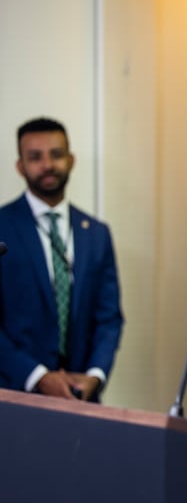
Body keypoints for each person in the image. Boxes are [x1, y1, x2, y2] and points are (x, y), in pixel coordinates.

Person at [0, 117, 124, 402]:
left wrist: (95, 375)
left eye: (56, 154)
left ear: (71, 160)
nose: (47, 165)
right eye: (35, 157)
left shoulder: (96, 234)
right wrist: (38, 377)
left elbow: (109, 318)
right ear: (20, 166)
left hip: (81, 399)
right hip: (14, 396)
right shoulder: (2, 227)